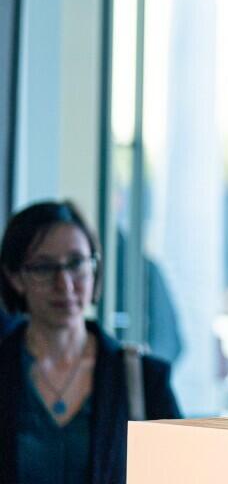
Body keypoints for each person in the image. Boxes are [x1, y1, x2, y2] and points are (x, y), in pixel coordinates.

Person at [1, 201, 181, 483]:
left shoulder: (144, 379)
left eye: (76, 264)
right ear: (15, 278)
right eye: (44, 267)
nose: (64, 284)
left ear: (94, 268)